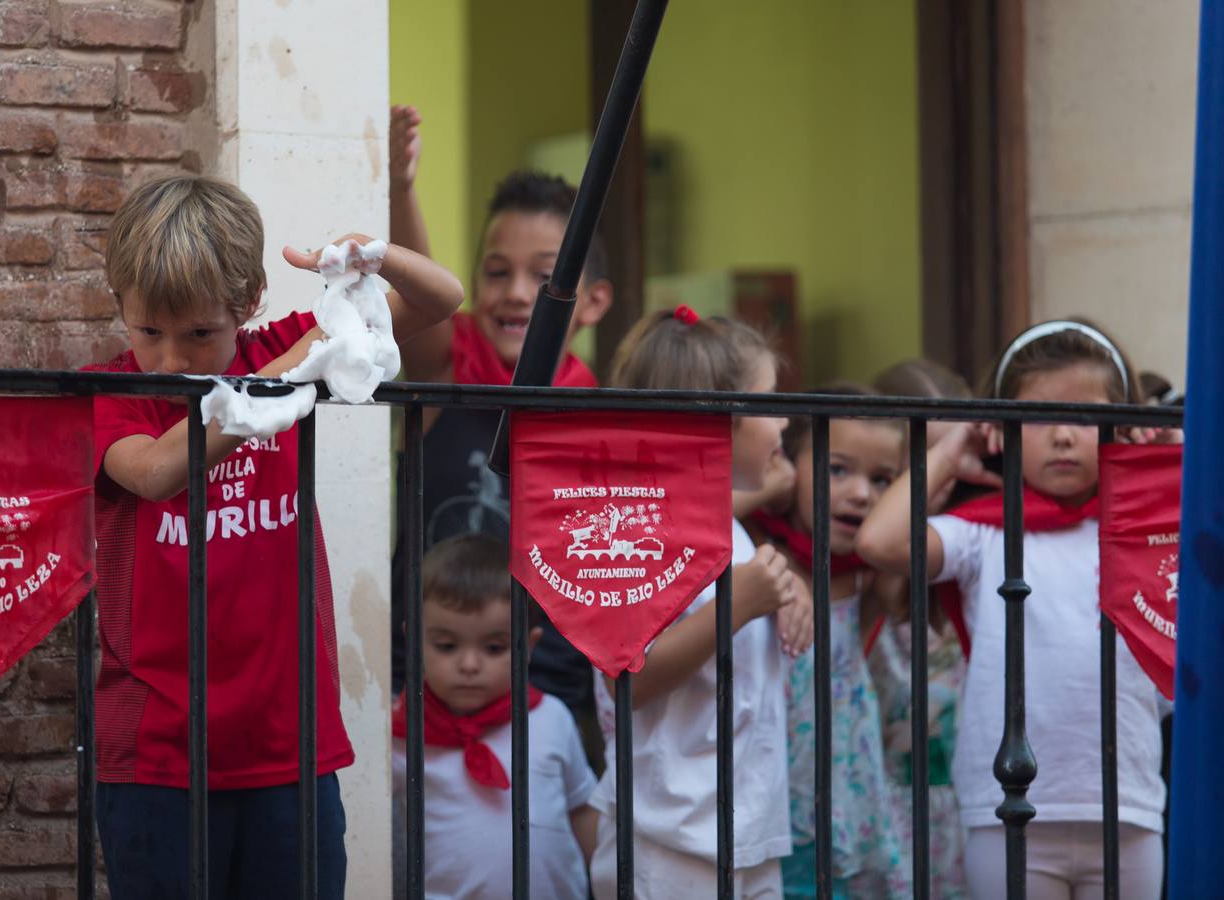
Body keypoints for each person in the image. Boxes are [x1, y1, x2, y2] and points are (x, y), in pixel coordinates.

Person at [83, 174, 463, 899]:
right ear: (119, 308)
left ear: (248, 302)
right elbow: (160, 471)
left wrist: (371, 256)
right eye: (147, 333)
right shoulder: (111, 390)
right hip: (157, 751)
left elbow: (441, 297)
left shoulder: (285, 348)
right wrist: (285, 380)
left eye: (199, 334)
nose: (170, 361)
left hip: (289, 742)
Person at [856, 320, 1170, 899]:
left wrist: (1151, 454)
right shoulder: (985, 536)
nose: (1063, 437)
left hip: (1127, 805)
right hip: (1007, 811)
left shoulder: (1143, 530)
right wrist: (951, 451)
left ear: (1120, 424)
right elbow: (879, 541)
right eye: (1040, 416)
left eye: (1085, 417)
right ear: (1002, 430)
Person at [388, 104, 614, 744]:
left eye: (545, 277)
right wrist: (400, 189)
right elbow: (423, 300)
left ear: (594, 302)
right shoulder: (446, 372)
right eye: (496, 272)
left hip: (551, 700)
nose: (517, 292)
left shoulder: (594, 412)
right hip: (425, 694)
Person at [587, 306, 809, 899]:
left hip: (745, 834)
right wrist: (738, 604)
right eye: (767, 403)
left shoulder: (724, 525)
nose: (783, 421)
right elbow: (625, 676)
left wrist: (783, 587)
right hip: (665, 843)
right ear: (718, 420)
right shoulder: (632, 530)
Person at [741, 383, 906, 898]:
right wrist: (776, 483)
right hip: (765, 800)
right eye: (838, 470)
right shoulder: (752, 546)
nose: (861, 493)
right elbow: (700, 512)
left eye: (882, 479)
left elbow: (910, 521)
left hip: (840, 804)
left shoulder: (869, 576)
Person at [390, 534, 598, 899]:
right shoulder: (396, 735)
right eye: (447, 646)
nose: (469, 665)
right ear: (413, 642)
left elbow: (581, 810)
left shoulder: (550, 718)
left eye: (494, 647)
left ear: (529, 646)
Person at [852, 359, 975, 899]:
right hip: (878, 819)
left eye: (955, 456)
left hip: (972, 815)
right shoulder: (857, 581)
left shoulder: (980, 549)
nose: (943, 476)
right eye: (922, 461)